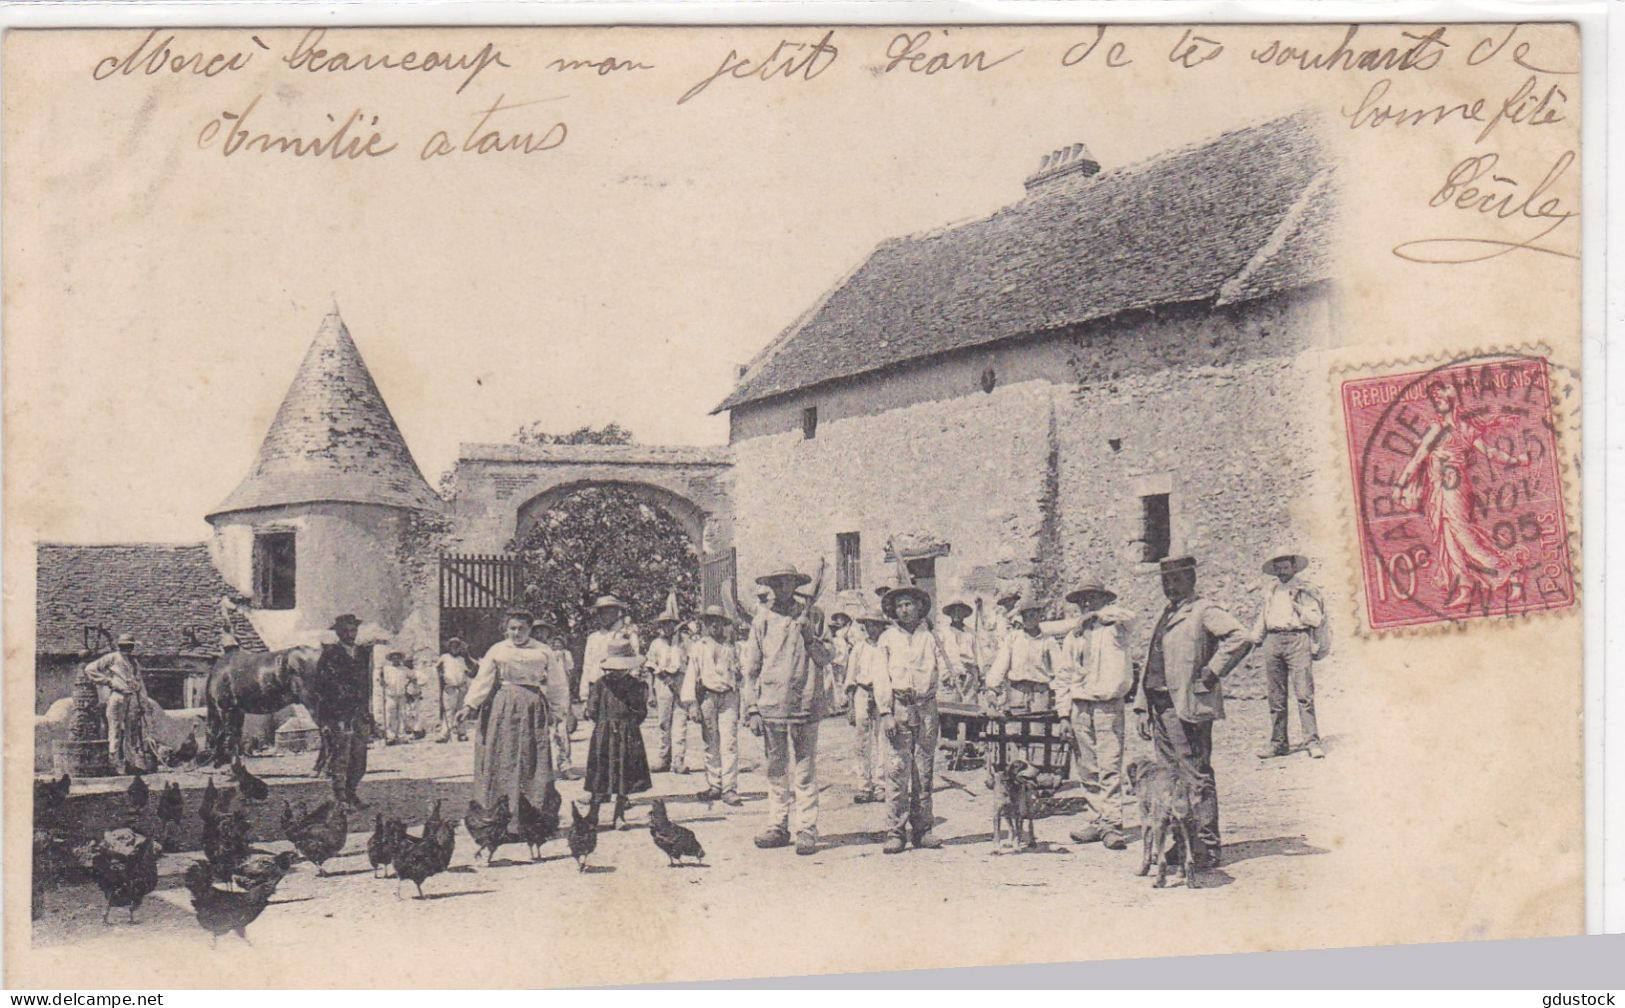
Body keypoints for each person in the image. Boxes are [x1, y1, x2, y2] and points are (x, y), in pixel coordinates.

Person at [1132, 556, 1252, 870]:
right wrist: (1142, 707)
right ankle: (1183, 845)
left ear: (1191, 580)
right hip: (1160, 707)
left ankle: (1207, 847)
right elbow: (1151, 663)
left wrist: (1211, 673)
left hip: (1187, 707)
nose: (1170, 586)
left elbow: (1241, 637)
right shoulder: (1167, 613)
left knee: (1196, 776)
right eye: (1165, 581)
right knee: (1171, 781)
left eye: (1177, 580)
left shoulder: (1204, 610)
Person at [1392, 380, 1533, 607]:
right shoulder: (1440, 428)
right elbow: (1418, 460)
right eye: (1434, 398)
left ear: (1451, 397)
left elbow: (1490, 452)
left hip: (1454, 488)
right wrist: (1400, 485)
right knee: (1448, 539)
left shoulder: (1456, 429)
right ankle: (1464, 587)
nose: (1436, 400)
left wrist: (1516, 460)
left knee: (1462, 534)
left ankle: (1509, 569)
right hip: (1438, 491)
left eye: (1440, 395)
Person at [743, 565, 832, 855]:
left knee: (805, 771)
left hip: (805, 702)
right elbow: (751, 669)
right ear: (770, 586)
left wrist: (809, 636)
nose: (783, 587)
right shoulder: (762, 619)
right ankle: (777, 826)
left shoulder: (814, 616)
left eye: (788, 582)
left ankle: (807, 829)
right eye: (777, 583)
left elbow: (826, 657)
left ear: (796, 584)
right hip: (771, 705)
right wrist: (752, 708)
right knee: (776, 769)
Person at [1054, 579, 1136, 850]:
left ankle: (1112, 824)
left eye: (1092, 598)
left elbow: (1129, 615)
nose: (1086, 604)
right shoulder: (1074, 635)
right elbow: (1064, 675)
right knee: (1087, 767)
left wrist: (1098, 616)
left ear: (1103, 600)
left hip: (1108, 705)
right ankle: (1096, 819)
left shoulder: (1116, 628)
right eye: (1082, 600)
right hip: (1080, 706)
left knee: (1109, 765)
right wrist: (1064, 714)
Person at [458, 609, 560, 826]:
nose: (516, 633)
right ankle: (500, 814)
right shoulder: (498, 650)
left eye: (522, 628)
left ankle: (530, 816)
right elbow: (482, 679)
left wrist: (560, 711)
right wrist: (469, 705)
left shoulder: (543, 651)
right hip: (503, 705)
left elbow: (557, 683)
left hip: (533, 705)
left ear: (530, 629)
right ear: (506, 629)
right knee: (503, 755)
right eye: (512, 628)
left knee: (530, 757)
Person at [875, 585, 948, 853]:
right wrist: (886, 712)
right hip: (899, 707)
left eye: (909, 604)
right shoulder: (887, 639)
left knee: (923, 770)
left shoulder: (931, 638)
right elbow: (881, 677)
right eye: (900, 605)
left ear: (919, 607)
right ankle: (895, 831)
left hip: (926, 708)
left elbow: (946, 665)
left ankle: (923, 830)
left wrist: (958, 674)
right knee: (896, 770)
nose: (905, 610)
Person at [1251, 549, 1330, 760]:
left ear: (1293, 568)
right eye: (1278, 569)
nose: (1282, 572)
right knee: (1276, 696)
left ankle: (1312, 741)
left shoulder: (1306, 590)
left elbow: (1315, 620)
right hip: (1273, 641)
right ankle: (1278, 743)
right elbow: (1264, 616)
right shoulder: (1271, 590)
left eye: (1285, 568)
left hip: (1298, 640)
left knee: (1304, 694)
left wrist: (1297, 604)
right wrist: (1255, 639)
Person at [681, 605, 744, 805]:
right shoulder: (699, 646)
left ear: (724, 624)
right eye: (710, 621)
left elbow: (742, 673)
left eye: (718, 621)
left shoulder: (732, 647)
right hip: (708, 696)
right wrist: (691, 704)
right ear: (705, 624)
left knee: (729, 742)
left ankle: (729, 788)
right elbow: (692, 674)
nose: (714, 625)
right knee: (711, 740)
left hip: (728, 697)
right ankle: (715, 784)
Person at [583, 640, 653, 812]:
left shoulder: (636, 685)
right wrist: (603, 723)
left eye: (621, 668)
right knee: (601, 770)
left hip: (627, 733)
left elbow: (640, 711)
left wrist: (629, 725)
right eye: (614, 668)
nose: (617, 672)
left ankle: (619, 813)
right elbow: (592, 709)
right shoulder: (600, 684)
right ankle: (594, 813)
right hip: (604, 733)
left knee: (624, 771)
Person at [313, 614, 374, 808]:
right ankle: (340, 798)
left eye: (353, 630)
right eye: (346, 631)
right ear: (338, 633)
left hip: (359, 714)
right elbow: (320, 687)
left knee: (360, 758)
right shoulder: (330, 654)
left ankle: (351, 792)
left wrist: (367, 710)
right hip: (338, 715)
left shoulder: (363, 653)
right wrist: (330, 717)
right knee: (341, 757)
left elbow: (367, 684)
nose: (350, 634)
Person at [81, 633, 151, 773]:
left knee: (131, 733)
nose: (128, 648)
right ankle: (114, 764)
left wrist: (143, 703)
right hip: (117, 697)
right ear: (120, 645)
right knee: (115, 731)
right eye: (125, 645)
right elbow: (90, 669)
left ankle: (130, 764)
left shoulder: (133, 662)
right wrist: (108, 681)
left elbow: (140, 684)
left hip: (132, 699)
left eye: (130, 645)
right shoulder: (112, 657)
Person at [843, 606, 891, 805]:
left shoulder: (887, 646)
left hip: (883, 693)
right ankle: (863, 785)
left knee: (883, 739)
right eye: (869, 625)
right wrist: (851, 705)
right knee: (861, 741)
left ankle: (881, 784)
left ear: (882, 627)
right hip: (862, 692)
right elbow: (851, 675)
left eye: (876, 625)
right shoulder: (859, 648)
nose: (872, 629)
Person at [984, 601, 1055, 714]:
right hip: (1017, 692)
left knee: (1039, 727)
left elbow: (1060, 670)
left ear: (1039, 615)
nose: (1029, 619)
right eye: (1025, 615)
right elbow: (1000, 665)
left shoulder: (1049, 641)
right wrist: (992, 690)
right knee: (1014, 728)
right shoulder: (1013, 638)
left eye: (1032, 615)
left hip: (1040, 693)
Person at [645, 598, 690, 774]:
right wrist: (650, 692)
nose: (667, 627)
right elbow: (650, 667)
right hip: (662, 681)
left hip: (680, 680)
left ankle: (678, 760)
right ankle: (663, 757)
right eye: (664, 624)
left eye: (670, 624)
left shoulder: (684, 641)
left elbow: (692, 662)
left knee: (680, 720)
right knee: (663, 721)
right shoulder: (656, 644)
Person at [579, 595, 641, 707]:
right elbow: (587, 666)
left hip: (620, 687)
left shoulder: (627, 634)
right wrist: (584, 696)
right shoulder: (593, 637)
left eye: (609, 612)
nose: (605, 616)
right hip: (596, 685)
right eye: (602, 612)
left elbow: (634, 662)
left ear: (617, 612)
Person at [937, 599, 981, 701]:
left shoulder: (971, 634)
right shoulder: (942, 633)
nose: (957, 614)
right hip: (950, 678)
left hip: (969, 678)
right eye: (954, 611)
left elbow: (978, 657)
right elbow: (938, 657)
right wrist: (945, 675)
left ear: (965, 614)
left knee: (969, 710)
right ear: (950, 614)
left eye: (960, 611)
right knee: (950, 708)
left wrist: (979, 678)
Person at [435, 638, 473, 743]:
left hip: (461, 687)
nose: (455, 648)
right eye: (453, 645)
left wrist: (468, 655)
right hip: (450, 688)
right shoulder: (444, 657)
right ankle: (444, 734)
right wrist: (441, 676)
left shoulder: (462, 659)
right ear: (449, 647)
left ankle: (462, 733)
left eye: (457, 646)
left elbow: (469, 670)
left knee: (462, 710)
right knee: (448, 711)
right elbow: (437, 667)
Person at [379, 651, 415, 745]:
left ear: (400, 659)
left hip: (401, 695)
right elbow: (380, 680)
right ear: (391, 659)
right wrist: (382, 681)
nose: (396, 659)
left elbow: (413, 677)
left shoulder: (405, 669)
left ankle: (401, 736)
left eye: (397, 657)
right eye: (394, 657)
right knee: (390, 716)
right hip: (390, 696)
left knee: (402, 715)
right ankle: (390, 736)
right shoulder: (387, 669)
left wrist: (408, 686)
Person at [825, 611, 854, 714]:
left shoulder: (841, 637)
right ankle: (832, 705)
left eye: (842, 619)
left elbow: (843, 653)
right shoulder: (831, 639)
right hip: (831, 664)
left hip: (839, 664)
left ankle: (840, 704)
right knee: (830, 684)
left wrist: (837, 661)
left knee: (838, 684)